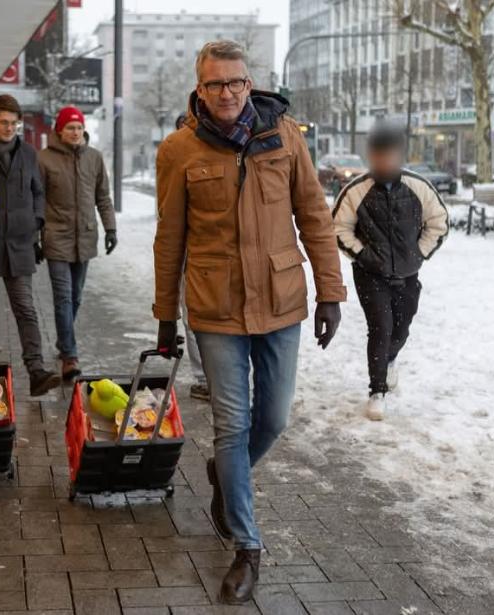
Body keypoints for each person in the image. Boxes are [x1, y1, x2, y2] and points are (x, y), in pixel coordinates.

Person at [153, 41, 346, 603]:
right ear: (200, 88)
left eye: (236, 82)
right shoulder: (179, 150)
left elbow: (313, 213)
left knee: (275, 419)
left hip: (281, 299)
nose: (227, 93)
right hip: (215, 307)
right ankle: (247, 546)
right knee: (232, 424)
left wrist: (330, 294)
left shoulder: (284, 135)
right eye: (215, 84)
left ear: (250, 81)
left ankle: (225, 472)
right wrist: (167, 316)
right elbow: (170, 240)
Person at [333, 120, 448, 420]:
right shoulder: (356, 191)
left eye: (391, 154)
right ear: (372, 156)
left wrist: (418, 254)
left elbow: (439, 222)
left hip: (408, 274)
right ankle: (377, 391)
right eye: (379, 155)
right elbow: (338, 228)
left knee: (402, 326)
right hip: (371, 274)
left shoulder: (418, 187)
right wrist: (362, 255)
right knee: (380, 327)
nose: (385, 161)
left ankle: (391, 358)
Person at [0, 94, 61, 396]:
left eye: (13, 123)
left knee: (26, 310)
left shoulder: (29, 154)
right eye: (3, 122)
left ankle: (36, 371)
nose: (8, 128)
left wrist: (37, 221)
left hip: (19, 244)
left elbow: (38, 192)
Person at [38, 106, 117, 380]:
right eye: (69, 127)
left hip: (85, 236)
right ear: (59, 130)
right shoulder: (44, 159)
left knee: (76, 297)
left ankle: (63, 340)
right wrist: (37, 235)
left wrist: (110, 228)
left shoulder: (94, 158)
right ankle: (70, 356)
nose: (75, 132)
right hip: (56, 237)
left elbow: (103, 197)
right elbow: (37, 202)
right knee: (63, 297)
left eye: (79, 127)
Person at [173, 111, 209, 402]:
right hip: (184, 254)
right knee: (192, 318)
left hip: (210, 253)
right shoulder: (171, 162)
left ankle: (217, 376)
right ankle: (204, 378)